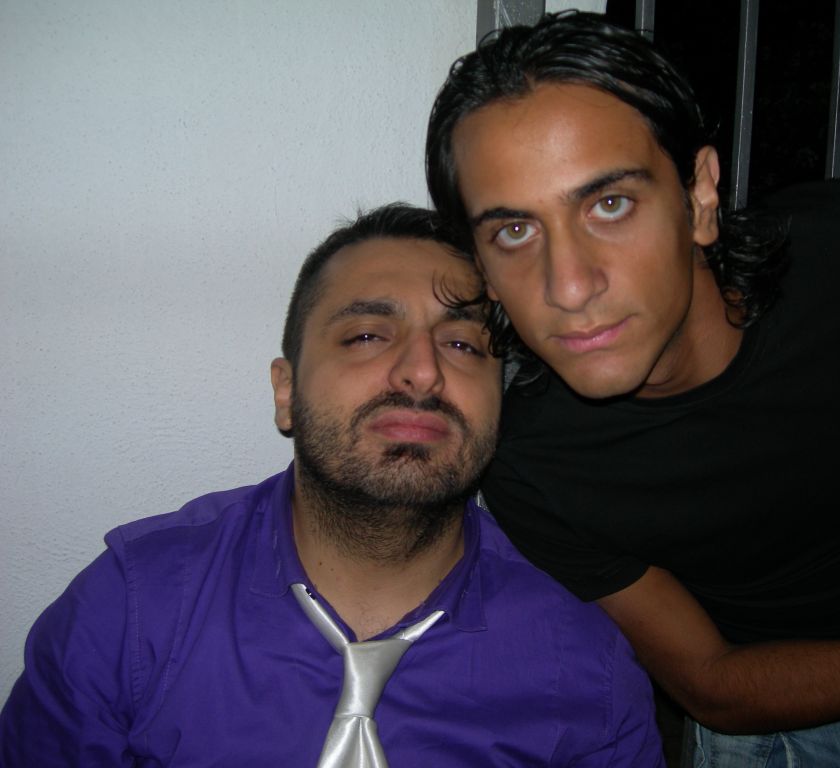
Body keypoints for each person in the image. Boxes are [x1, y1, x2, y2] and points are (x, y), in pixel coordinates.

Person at [425, 11, 840, 766]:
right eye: (514, 231)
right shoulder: (530, 458)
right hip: (781, 726)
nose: (569, 287)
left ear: (699, 195)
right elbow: (709, 682)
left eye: (609, 204)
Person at [0, 204, 666, 767]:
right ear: (286, 392)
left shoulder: (589, 674)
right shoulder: (128, 612)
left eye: (463, 345)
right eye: (368, 335)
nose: (422, 372)